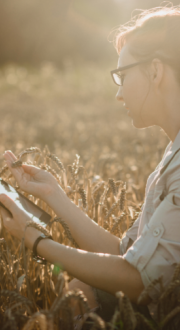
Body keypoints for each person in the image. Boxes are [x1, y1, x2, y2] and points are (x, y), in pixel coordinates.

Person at [1, 4, 180, 325]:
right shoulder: (172, 155)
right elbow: (128, 257)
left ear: (155, 71)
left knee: (83, 293)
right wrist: (55, 196)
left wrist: (36, 241)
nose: (118, 94)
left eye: (122, 76)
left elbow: (138, 283)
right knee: (83, 290)